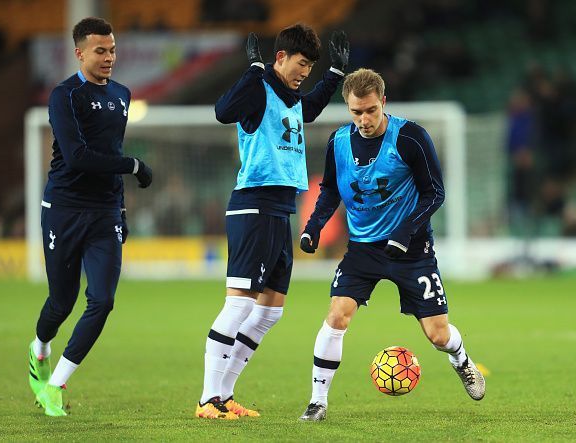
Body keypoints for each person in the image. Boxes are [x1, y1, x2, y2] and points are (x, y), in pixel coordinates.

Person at [298, 68, 485, 421]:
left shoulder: (410, 138)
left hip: (411, 250)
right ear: (348, 108)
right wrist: (313, 228)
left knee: (438, 334)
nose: (364, 120)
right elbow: (330, 190)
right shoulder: (338, 142)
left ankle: (461, 360)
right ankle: (317, 401)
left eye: (370, 110)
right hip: (363, 248)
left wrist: (405, 232)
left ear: (383, 102)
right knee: (337, 315)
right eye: (356, 112)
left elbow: (435, 193)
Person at [196, 24, 349, 420]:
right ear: (279, 57)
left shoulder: (290, 98)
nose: (305, 73)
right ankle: (207, 399)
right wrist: (252, 69)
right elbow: (222, 112)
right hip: (254, 205)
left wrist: (333, 76)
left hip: (281, 210)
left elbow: (307, 108)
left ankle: (224, 396)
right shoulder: (258, 90)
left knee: (269, 312)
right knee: (238, 306)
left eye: (310, 67)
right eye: (301, 64)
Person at [28, 17, 153, 417]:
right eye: (101, 50)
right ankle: (39, 348)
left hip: (104, 215)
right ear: (80, 52)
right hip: (63, 210)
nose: (109, 57)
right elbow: (79, 157)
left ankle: (56, 384)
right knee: (61, 303)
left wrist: (120, 209)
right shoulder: (64, 95)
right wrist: (132, 166)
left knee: (102, 300)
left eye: (113, 49)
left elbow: (111, 147)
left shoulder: (122, 94)